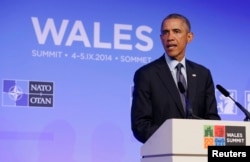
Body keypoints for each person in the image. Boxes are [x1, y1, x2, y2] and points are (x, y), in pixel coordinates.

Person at [131, 13, 221, 144]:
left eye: (176, 31)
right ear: (161, 38)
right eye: (165, 33)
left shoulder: (203, 74)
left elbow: (212, 119)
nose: (170, 37)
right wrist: (175, 140)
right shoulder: (146, 74)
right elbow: (140, 125)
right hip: (164, 153)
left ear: (189, 37)